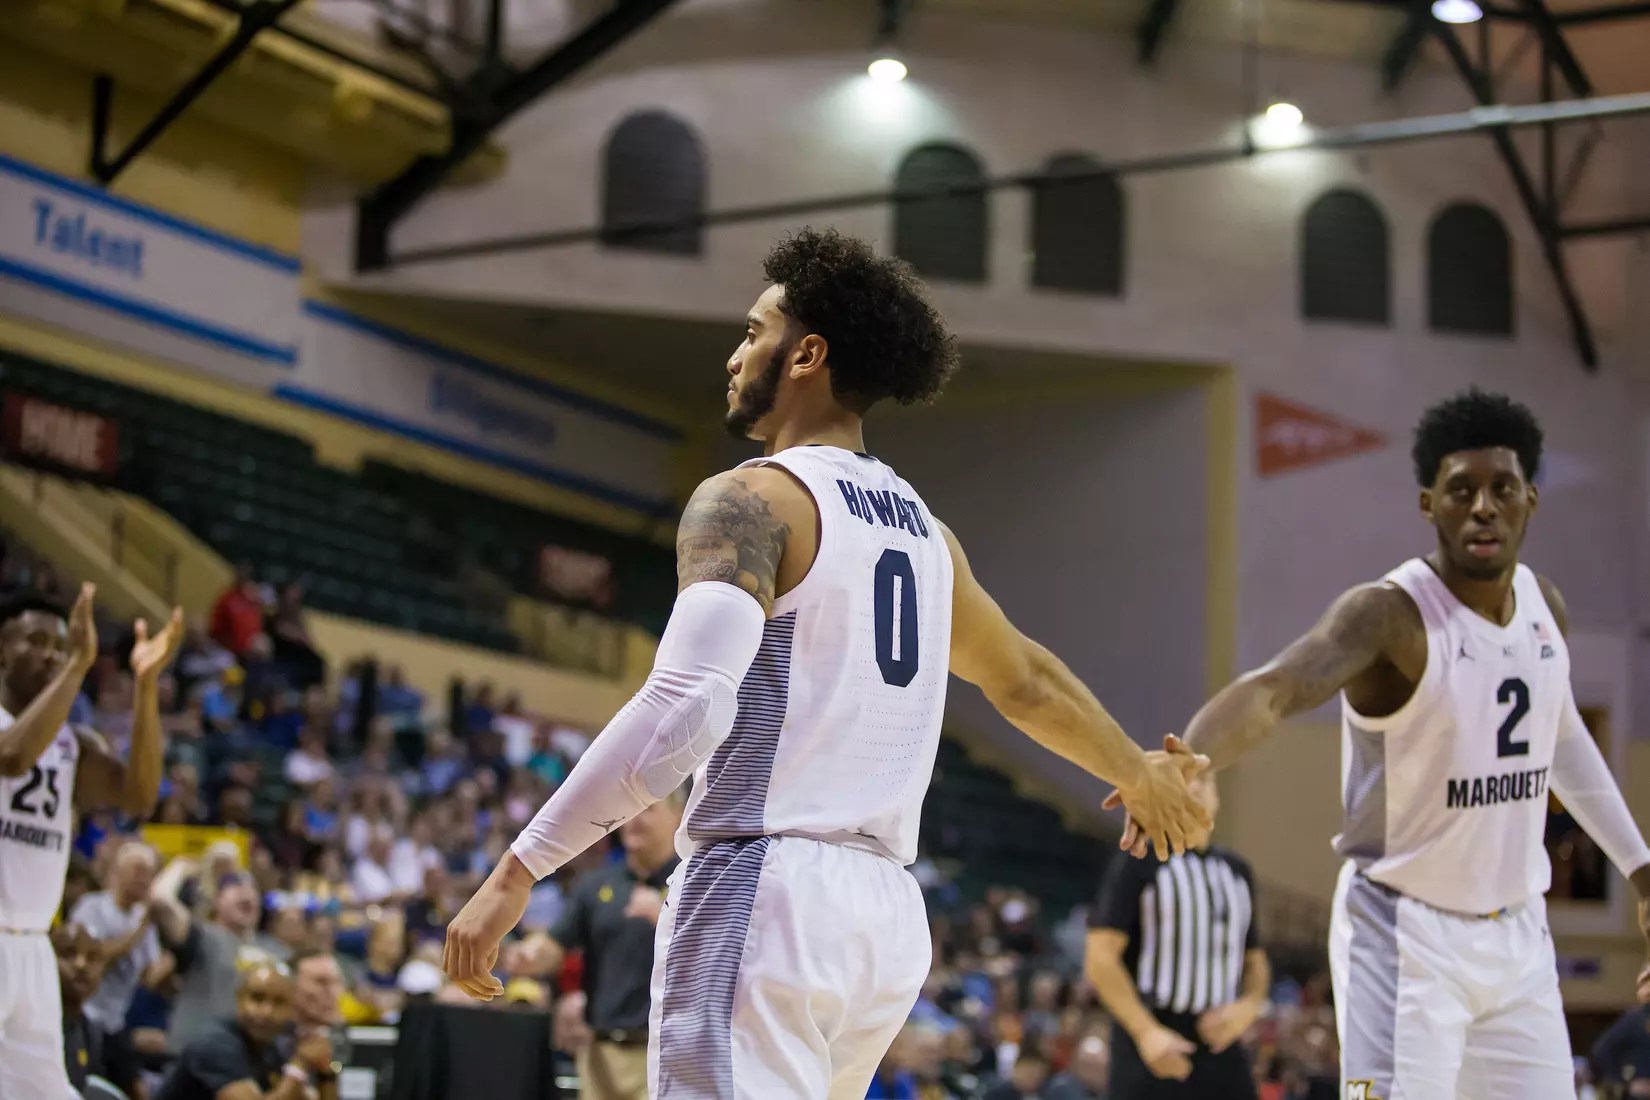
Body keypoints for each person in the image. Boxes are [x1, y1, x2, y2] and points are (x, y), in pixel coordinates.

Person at [442, 228, 1210, 1098]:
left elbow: (687, 706)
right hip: (883, 917)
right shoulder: (928, 535)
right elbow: (1025, 681)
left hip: (764, 890)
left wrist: (517, 871)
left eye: (753, 332)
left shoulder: (751, 497)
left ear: (807, 354)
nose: (734, 356)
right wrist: (1135, 773)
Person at [1116, 390, 1650, 1099]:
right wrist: (1190, 757)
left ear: (1530, 501)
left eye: (1502, 489)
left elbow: (1563, 739)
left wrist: (1642, 871)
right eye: (1461, 490)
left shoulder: (1543, 607)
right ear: (1430, 504)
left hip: (1519, 935)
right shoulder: (1390, 616)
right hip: (1405, 933)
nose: (1483, 507)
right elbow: (1275, 689)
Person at [0, 586, 182, 1100]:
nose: (52, 655)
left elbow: (138, 795)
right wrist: (78, 665)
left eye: (60, 646)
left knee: (47, 1091)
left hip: (32, 946)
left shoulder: (72, 744)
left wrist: (146, 686)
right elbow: (12, 758)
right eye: (36, 641)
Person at [1088, 772, 1268, 1099]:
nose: (1196, 787)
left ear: (1217, 797)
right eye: (1184, 779)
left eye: (1205, 779)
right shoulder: (1139, 861)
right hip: (1153, 1035)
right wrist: (1146, 1033)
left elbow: (1255, 962)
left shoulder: (1238, 871)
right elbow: (1100, 958)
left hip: (1221, 1039)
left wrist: (1247, 1008)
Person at [518, 792, 686, 1100]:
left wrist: (664, 917)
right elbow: (556, 944)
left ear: (678, 817)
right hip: (599, 1055)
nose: (634, 820)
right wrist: (530, 955)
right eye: (631, 810)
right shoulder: (595, 885)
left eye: (648, 810)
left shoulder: (694, 884)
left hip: (665, 1054)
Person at [154, 964, 338, 1100]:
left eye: (278, 1003)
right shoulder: (215, 1044)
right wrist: (299, 1065)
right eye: (257, 998)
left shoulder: (269, 1048)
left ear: (292, 1010)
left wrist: (325, 1070)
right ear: (239, 999)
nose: (265, 1012)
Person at [150, 863, 275, 1053]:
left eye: (252, 891)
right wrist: (181, 865)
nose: (247, 895)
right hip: (195, 1056)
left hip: (243, 1058)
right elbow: (160, 899)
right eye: (237, 889)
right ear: (217, 900)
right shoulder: (202, 936)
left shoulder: (273, 950)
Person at [70, 841, 163, 1035]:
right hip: (86, 1014)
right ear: (119, 873)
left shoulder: (143, 916)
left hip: (118, 1022)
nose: (143, 879)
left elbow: (149, 977)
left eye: (148, 873)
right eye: (138, 871)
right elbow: (97, 955)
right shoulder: (92, 907)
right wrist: (140, 930)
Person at [55, 921, 146, 1100]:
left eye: (92, 958)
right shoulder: (29, 1023)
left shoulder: (91, 1033)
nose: (81, 964)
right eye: (69, 954)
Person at [1044, 1035, 1111, 1100]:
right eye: (1088, 1065)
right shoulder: (1061, 1087)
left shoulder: (1108, 1090)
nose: (1093, 1072)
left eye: (1098, 1066)